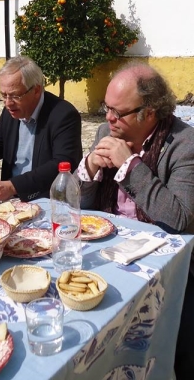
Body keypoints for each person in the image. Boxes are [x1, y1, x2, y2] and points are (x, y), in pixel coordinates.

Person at [75, 61, 194, 380]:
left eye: (118, 112)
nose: (108, 118)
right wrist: (88, 168)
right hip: (107, 249)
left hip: (163, 261)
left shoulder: (184, 144)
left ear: (150, 112)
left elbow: (179, 218)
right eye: (106, 107)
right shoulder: (104, 132)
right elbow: (78, 205)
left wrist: (129, 165)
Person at [0, 55, 82, 204]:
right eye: (3, 95)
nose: (8, 103)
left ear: (36, 90)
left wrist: (13, 186)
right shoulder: (11, 111)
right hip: (9, 198)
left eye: (15, 96)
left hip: (46, 199)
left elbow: (62, 164)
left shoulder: (63, 114)